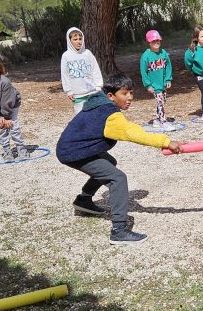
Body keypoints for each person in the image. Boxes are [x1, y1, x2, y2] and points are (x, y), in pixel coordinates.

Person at [56, 73, 183, 245]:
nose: (130, 97)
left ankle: (83, 201)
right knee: (117, 178)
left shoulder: (98, 103)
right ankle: (119, 231)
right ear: (111, 96)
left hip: (72, 147)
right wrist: (166, 142)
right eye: (124, 93)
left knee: (109, 163)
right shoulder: (110, 116)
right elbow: (133, 133)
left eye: (131, 93)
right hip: (74, 152)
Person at [61, 27, 103, 114]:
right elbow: (65, 75)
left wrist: (98, 86)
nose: (78, 41)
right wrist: (69, 91)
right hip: (77, 94)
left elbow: (95, 70)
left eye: (80, 39)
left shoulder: (87, 53)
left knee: (94, 115)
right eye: (75, 39)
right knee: (81, 116)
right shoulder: (66, 56)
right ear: (69, 40)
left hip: (92, 91)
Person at [139, 30, 172, 126]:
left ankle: (157, 119)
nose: (156, 42)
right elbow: (143, 72)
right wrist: (148, 85)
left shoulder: (163, 53)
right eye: (153, 41)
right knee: (160, 103)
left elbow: (168, 66)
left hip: (163, 83)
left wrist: (168, 79)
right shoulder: (146, 56)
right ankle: (163, 121)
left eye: (158, 40)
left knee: (161, 102)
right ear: (149, 42)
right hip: (154, 85)